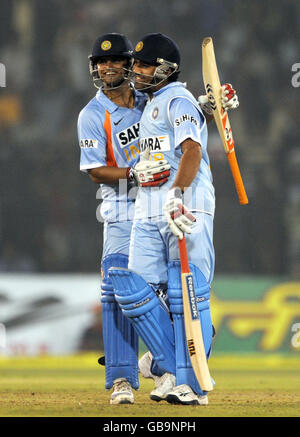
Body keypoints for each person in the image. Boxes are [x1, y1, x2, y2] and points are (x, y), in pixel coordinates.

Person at [109, 32, 233, 405]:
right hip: (151, 208)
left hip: (186, 204)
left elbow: (192, 151)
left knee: (188, 292)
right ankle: (168, 361)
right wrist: (207, 105)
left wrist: (177, 194)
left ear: (166, 69)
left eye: (147, 66)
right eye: (139, 65)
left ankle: (190, 383)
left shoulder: (177, 98)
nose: (139, 71)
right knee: (133, 290)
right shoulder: (153, 104)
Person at [77, 33, 170, 405]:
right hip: (121, 209)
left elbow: (184, 121)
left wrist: (211, 107)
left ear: (130, 64)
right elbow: (95, 170)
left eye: (115, 59)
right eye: (101, 62)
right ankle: (121, 380)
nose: (106, 66)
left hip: (163, 205)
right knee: (116, 288)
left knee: (168, 291)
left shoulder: (152, 97)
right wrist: (134, 174)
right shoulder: (91, 114)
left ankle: (164, 363)